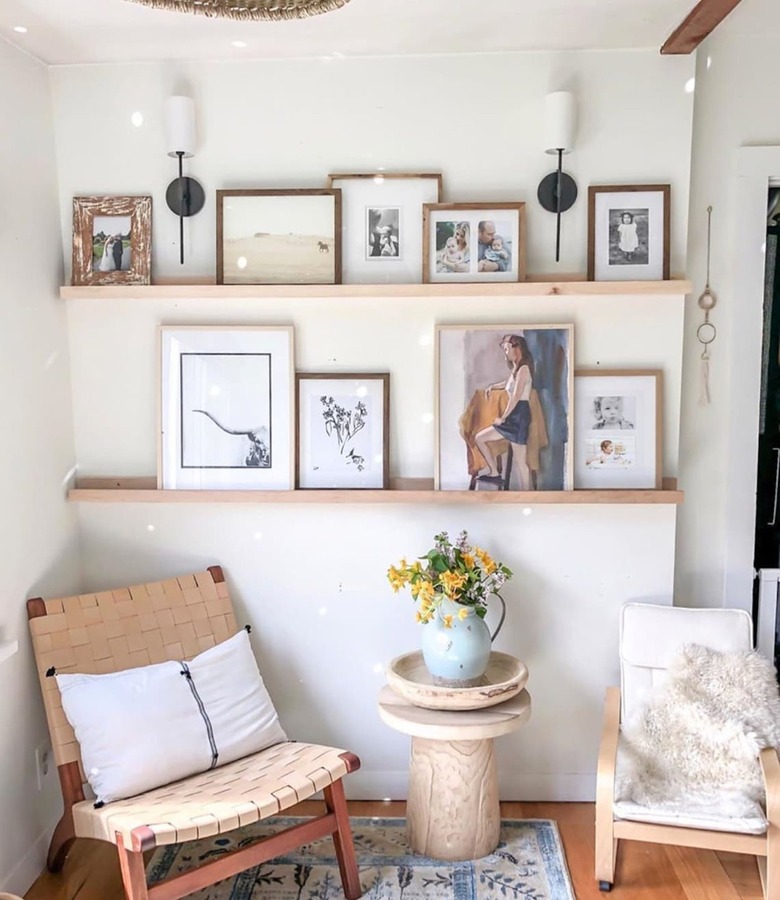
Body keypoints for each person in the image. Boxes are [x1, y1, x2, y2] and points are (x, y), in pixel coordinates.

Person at [474, 334, 534, 490]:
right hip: (514, 414)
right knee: (480, 438)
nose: (505, 353)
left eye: (507, 349)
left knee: (521, 462)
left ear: (517, 348)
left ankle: (527, 495)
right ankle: (494, 473)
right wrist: (493, 387)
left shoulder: (524, 369)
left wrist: (503, 418)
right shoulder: (517, 368)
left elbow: (515, 397)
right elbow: (509, 384)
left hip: (519, 415)